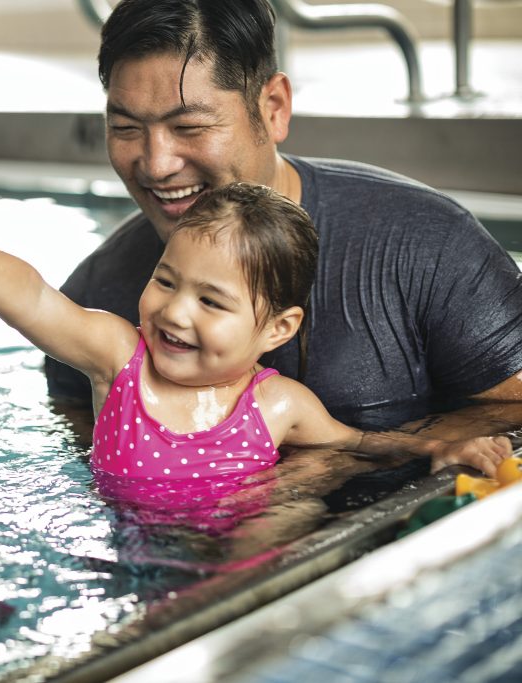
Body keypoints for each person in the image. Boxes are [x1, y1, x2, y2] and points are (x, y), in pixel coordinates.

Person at [0, 153, 511, 507]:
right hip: (130, 554)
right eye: (167, 281)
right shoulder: (118, 359)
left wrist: (434, 450)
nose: (175, 313)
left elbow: (361, 445)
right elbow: (29, 297)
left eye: (212, 301)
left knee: (280, 518)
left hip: (242, 562)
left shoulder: (278, 405)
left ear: (278, 328)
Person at [45, 0, 522, 429]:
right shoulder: (93, 300)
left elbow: (512, 416)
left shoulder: (428, 248)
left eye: (188, 126)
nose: (156, 164)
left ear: (273, 108)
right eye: (125, 128)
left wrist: (326, 471)